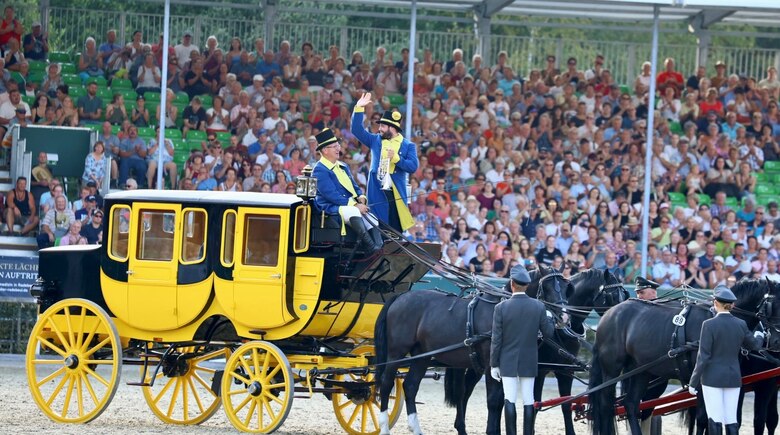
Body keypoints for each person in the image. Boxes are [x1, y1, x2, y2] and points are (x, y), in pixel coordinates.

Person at [688, 286, 765, 435]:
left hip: (711, 379)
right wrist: (760, 334)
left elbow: (703, 357)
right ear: (733, 305)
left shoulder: (708, 325)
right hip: (733, 378)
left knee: (715, 419)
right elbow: (755, 345)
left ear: (715, 302)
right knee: (731, 419)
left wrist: (693, 382)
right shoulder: (741, 324)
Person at [490, 263, 555, 435]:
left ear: (512, 283)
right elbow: (548, 334)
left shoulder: (500, 308)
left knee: (509, 399)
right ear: (527, 285)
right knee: (529, 400)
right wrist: (550, 318)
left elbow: (496, 340)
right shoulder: (539, 306)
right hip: (529, 360)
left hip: (507, 361)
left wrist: (494, 364)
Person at [351, 92, 418, 232]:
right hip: (377, 191)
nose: (379, 129)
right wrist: (358, 108)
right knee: (377, 227)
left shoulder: (408, 145)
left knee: (395, 230)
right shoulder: (375, 140)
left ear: (392, 128)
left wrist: (397, 159)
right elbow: (356, 130)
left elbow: (413, 167)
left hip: (395, 194)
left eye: (382, 126)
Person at [312, 128, 382, 253]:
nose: (338, 148)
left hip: (349, 205)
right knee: (353, 211)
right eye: (334, 146)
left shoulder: (343, 166)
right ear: (325, 150)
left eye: (338, 145)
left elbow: (355, 186)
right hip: (330, 207)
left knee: (372, 218)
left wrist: (361, 197)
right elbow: (331, 195)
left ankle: (378, 248)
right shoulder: (319, 169)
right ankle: (370, 248)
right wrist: (355, 205)